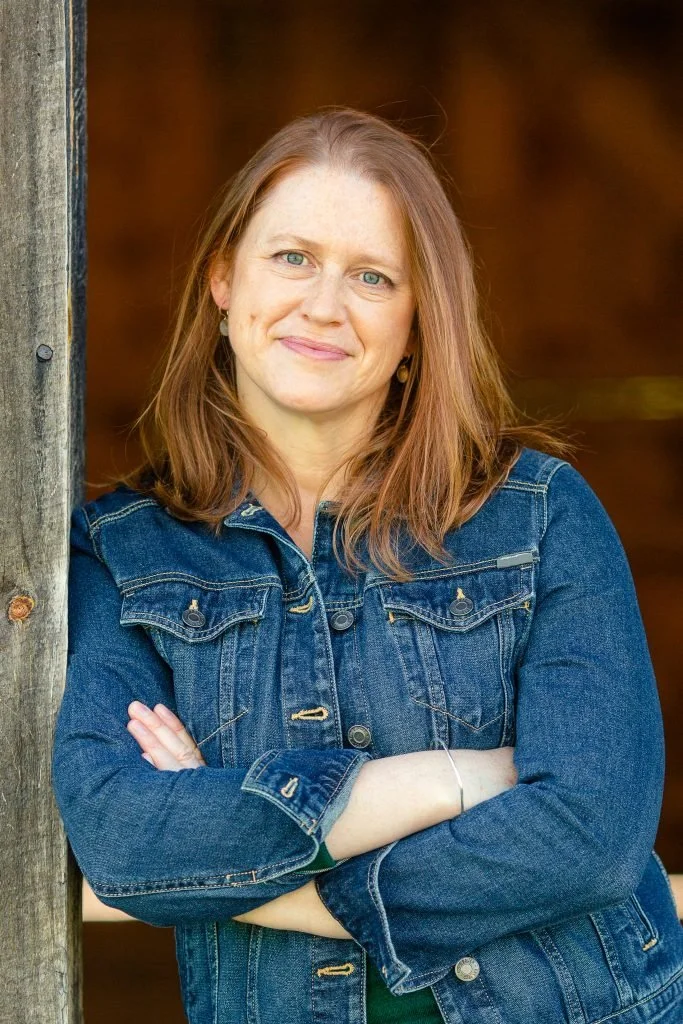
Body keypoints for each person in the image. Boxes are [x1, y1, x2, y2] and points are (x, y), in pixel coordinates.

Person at [51, 107, 683, 1024]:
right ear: (224, 279)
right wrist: (445, 783)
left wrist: (270, 883)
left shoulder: (538, 514)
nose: (322, 305)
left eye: (372, 277)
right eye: (291, 258)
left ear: (418, 324)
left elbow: (591, 834)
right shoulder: (125, 551)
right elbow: (125, 843)